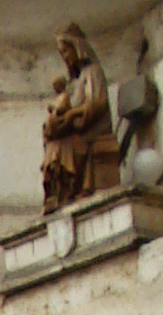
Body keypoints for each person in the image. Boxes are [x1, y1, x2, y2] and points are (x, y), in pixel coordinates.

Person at [40, 24, 120, 216]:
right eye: (62, 53)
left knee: (62, 146)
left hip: (94, 129)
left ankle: (66, 191)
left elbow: (98, 103)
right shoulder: (76, 81)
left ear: (78, 48)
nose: (65, 57)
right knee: (52, 143)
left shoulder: (93, 72)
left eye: (66, 51)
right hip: (80, 129)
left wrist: (72, 115)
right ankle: (58, 195)